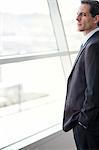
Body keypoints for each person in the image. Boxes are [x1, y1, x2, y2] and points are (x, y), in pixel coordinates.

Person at [63, 0, 99, 149]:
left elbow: (94, 90)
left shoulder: (94, 45)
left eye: (83, 14)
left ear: (96, 19)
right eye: (77, 14)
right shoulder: (90, 42)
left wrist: (83, 121)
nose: (77, 18)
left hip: (88, 126)